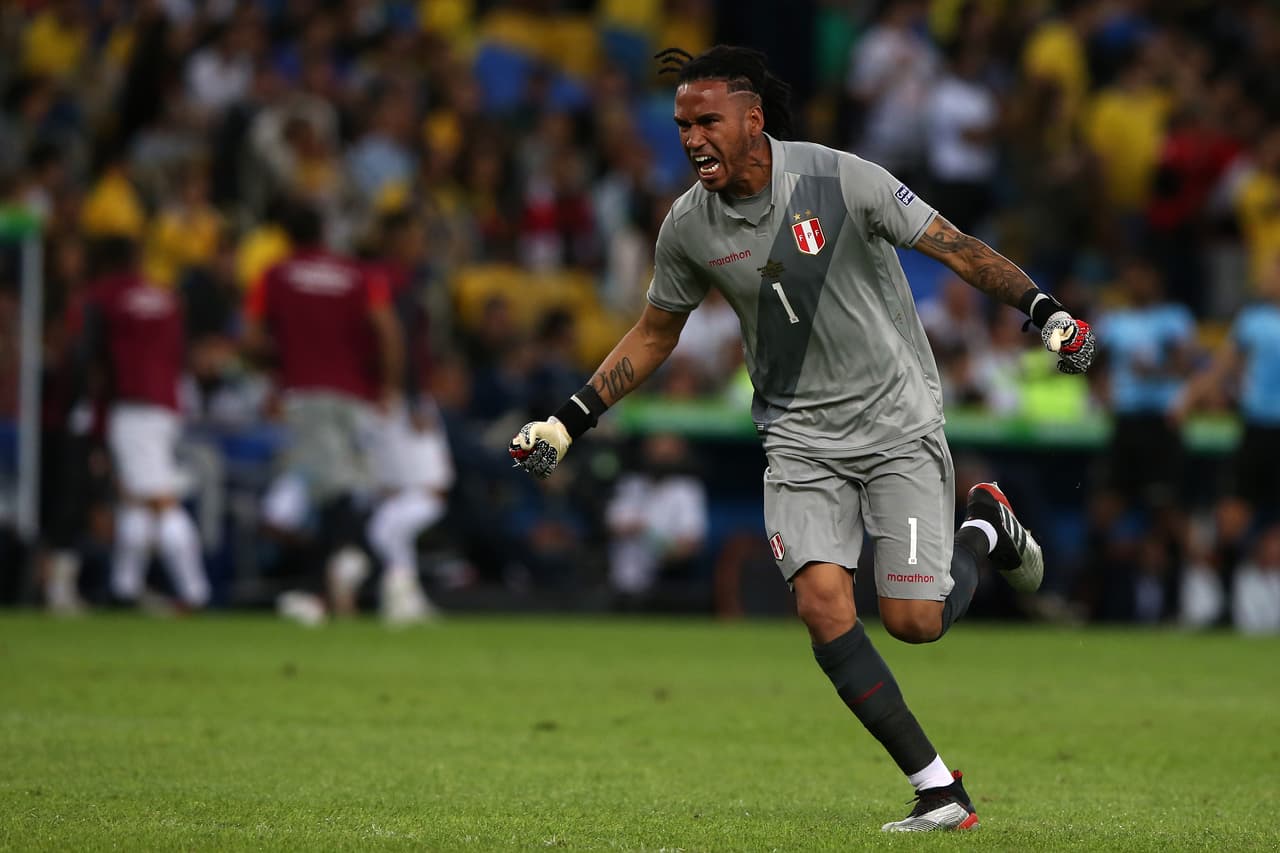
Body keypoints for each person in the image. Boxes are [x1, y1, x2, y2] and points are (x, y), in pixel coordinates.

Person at [509, 45, 1096, 832]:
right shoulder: (688, 225)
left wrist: (1045, 309)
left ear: (753, 120)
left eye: (707, 120)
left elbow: (956, 247)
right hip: (797, 437)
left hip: (896, 421)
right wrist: (567, 419)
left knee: (914, 620)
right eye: (683, 124)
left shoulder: (841, 178)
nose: (691, 138)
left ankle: (983, 524)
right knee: (824, 606)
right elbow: (654, 334)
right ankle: (939, 791)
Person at [243, 201, 403, 621]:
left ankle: (329, 581)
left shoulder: (274, 276)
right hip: (358, 396)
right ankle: (354, 571)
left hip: (306, 394)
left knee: (332, 491)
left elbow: (253, 339)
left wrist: (278, 367)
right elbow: (387, 330)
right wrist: (387, 386)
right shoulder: (358, 274)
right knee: (349, 484)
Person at [80, 237, 210, 611]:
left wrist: (95, 418)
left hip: (133, 404)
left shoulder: (103, 296)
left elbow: (93, 358)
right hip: (167, 401)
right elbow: (179, 353)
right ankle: (125, 589)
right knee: (136, 499)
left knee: (160, 500)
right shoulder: (166, 297)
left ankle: (194, 592)